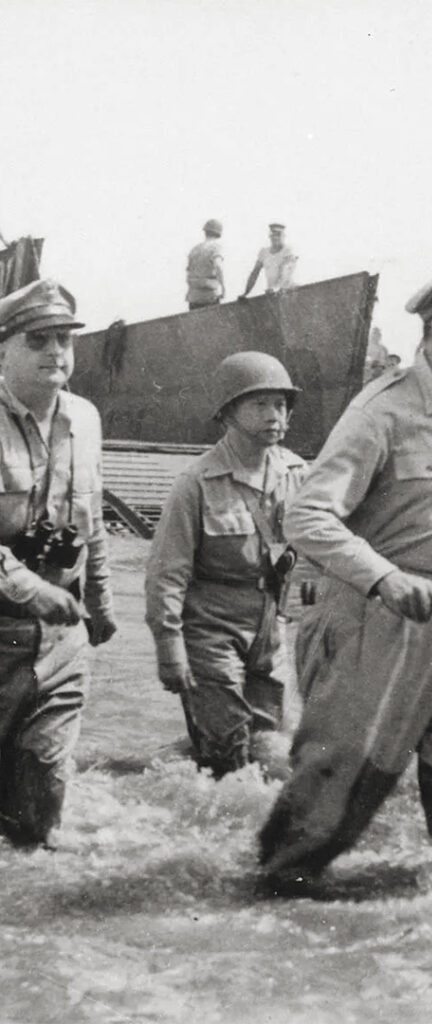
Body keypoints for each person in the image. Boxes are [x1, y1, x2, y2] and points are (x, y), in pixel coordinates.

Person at [258, 252, 432, 896]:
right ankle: (263, 911)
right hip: (379, 620)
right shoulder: (384, 411)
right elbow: (307, 516)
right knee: (333, 803)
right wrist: (383, 578)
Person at [144, 353, 306, 778]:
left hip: (270, 632)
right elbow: (166, 574)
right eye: (260, 404)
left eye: (281, 405)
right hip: (210, 634)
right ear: (228, 413)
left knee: (270, 750)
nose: (274, 415)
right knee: (227, 755)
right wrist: (169, 647)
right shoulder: (196, 483)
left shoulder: (297, 474)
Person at [0, 279, 117, 848]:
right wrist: (29, 588)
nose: (55, 352)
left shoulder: (85, 419)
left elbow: (92, 520)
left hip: (61, 637)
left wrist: (101, 599)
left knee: (40, 807)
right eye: (37, 340)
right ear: (3, 350)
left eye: (64, 340)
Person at [239, 223, 297, 298]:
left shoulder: (288, 250)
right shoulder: (264, 252)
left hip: (287, 291)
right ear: (270, 236)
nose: (275, 237)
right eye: (273, 235)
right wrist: (246, 293)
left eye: (278, 235)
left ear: (283, 236)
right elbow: (254, 273)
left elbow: (285, 269)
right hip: (272, 292)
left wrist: (278, 287)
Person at [186, 219, 225, 310]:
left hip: (193, 297)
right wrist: (223, 288)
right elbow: (218, 266)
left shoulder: (194, 249)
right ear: (218, 234)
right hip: (210, 296)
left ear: (205, 232)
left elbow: (189, 270)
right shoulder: (216, 248)